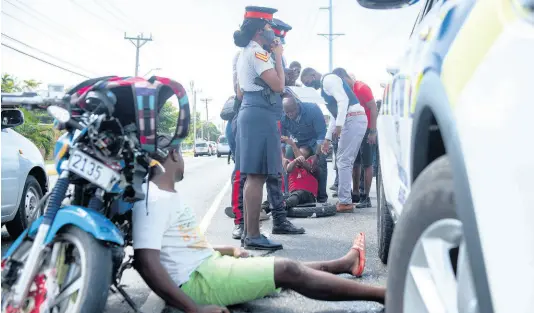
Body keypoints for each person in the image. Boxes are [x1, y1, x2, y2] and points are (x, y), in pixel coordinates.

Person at [132, 138, 386, 313]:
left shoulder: (162, 195)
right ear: (175, 154)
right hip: (200, 283)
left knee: (282, 269)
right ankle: (383, 294)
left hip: (208, 268)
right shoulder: (153, 199)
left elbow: (181, 245)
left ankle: (345, 264)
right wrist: (193, 308)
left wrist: (225, 249)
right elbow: (146, 262)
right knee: (287, 270)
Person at [234, 6, 304, 250]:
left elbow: (241, 91)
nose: (271, 34)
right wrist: (278, 56)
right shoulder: (258, 54)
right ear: (257, 32)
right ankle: (253, 235)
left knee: (254, 175)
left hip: (253, 111)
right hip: (260, 114)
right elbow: (278, 85)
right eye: (267, 29)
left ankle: (249, 233)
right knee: (257, 176)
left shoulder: (247, 52)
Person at [300, 68, 367, 213]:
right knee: (344, 160)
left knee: (343, 161)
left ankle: (345, 202)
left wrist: (339, 126)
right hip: (352, 118)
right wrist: (327, 139)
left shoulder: (328, 80)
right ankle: (345, 200)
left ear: (313, 75)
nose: (309, 86)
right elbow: (335, 115)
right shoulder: (326, 87)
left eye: (308, 82)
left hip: (353, 118)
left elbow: (343, 101)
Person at [333, 68, 378, 208]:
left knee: (367, 163)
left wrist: (372, 131)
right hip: (353, 128)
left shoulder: (362, 88)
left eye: (344, 82)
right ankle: (356, 192)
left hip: (367, 128)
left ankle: (366, 196)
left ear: (347, 77)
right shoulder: (345, 92)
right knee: (354, 162)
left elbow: (374, 108)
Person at [280, 92, 328, 202]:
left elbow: (321, 135)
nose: (290, 114)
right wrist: (283, 158)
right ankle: (288, 192)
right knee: (287, 159)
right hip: (298, 141)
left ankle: (321, 196)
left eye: (292, 111)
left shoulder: (313, 109)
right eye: (287, 112)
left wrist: (316, 155)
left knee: (320, 162)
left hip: (314, 141)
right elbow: (282, 141)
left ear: (298, 105)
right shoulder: (283, 117)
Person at [282, 139, 319, 208]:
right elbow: (288, 169)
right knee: (276, 196)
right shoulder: (293, 164)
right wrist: (294, 161)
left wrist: (293, 145)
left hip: (308, 195)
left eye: (302, 155)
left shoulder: (311, 164)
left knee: (299, 193)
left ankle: (282, 206)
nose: (298, 156)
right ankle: (263, 209)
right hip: (292, 194)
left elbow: (304, 163)